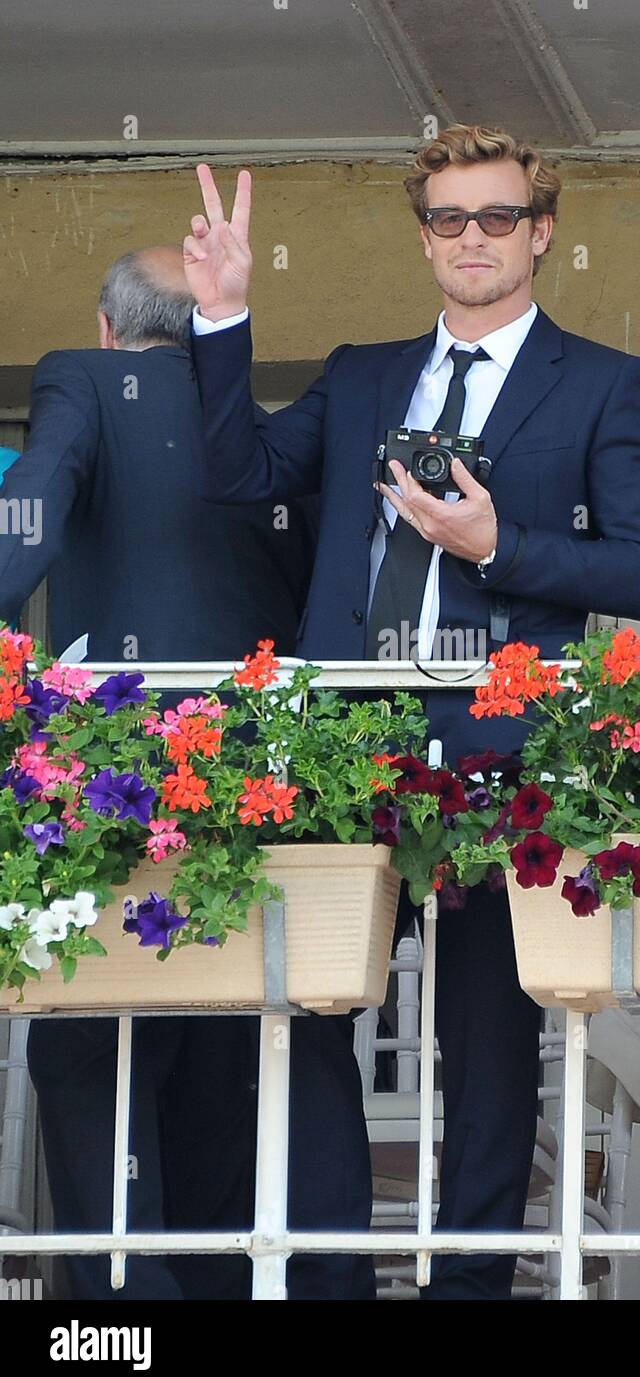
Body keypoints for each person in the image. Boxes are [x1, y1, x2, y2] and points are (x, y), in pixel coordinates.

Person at [184, 123, 640, 1300]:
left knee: (489, 1047)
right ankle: (327, 1285)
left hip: (499, 751)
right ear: (424, 236)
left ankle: (467, 1290)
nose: (473, 238)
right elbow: (238, 476)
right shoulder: (363, 371)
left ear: (541, 231)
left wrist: (499, 544)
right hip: (342, 748)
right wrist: (222, 317)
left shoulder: (601, 382)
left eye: (498, 217)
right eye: (450, 218)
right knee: (313, 1018)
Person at [0, 246, 316, 1299]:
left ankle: (120, 1311)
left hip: (118, 778)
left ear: (105, 327)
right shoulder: (263, 430)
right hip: (261, 784)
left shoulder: (82, 378)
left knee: (92, 1043)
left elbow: (31, 508)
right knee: (215, 1058)